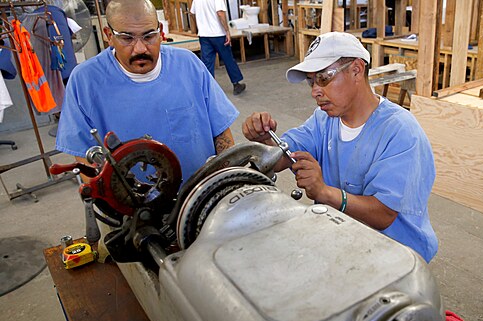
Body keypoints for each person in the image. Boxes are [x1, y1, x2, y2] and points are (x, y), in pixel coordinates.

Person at [242, 32, 438, 263]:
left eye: (324, 78)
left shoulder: (400, 132)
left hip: (395, 256)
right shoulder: (324, 120)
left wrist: (325, 192)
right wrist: (264, 140)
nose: (315, 90)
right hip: (343, 240)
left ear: (356, 70)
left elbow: (383, 215)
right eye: (311, 81)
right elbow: (282, 156)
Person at [55, 0, 238, 184]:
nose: (140, 48)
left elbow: (221, 133)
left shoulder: (188, 65)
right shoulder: (85, 81)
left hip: (201, 196)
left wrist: (224, 186)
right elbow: (85, 156)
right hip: (133, 208)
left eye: (149, 36)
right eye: (127, 38)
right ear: (109, 35)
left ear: (160, 32)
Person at [191, 0, 246, 95]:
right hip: (218, 34)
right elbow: (220, 13)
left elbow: (192, 13)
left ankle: (208, 88)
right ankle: (236, 84)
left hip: (204, 35)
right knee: (228, 59)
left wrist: (199, 26)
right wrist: (227, 31)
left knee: (207, 63)